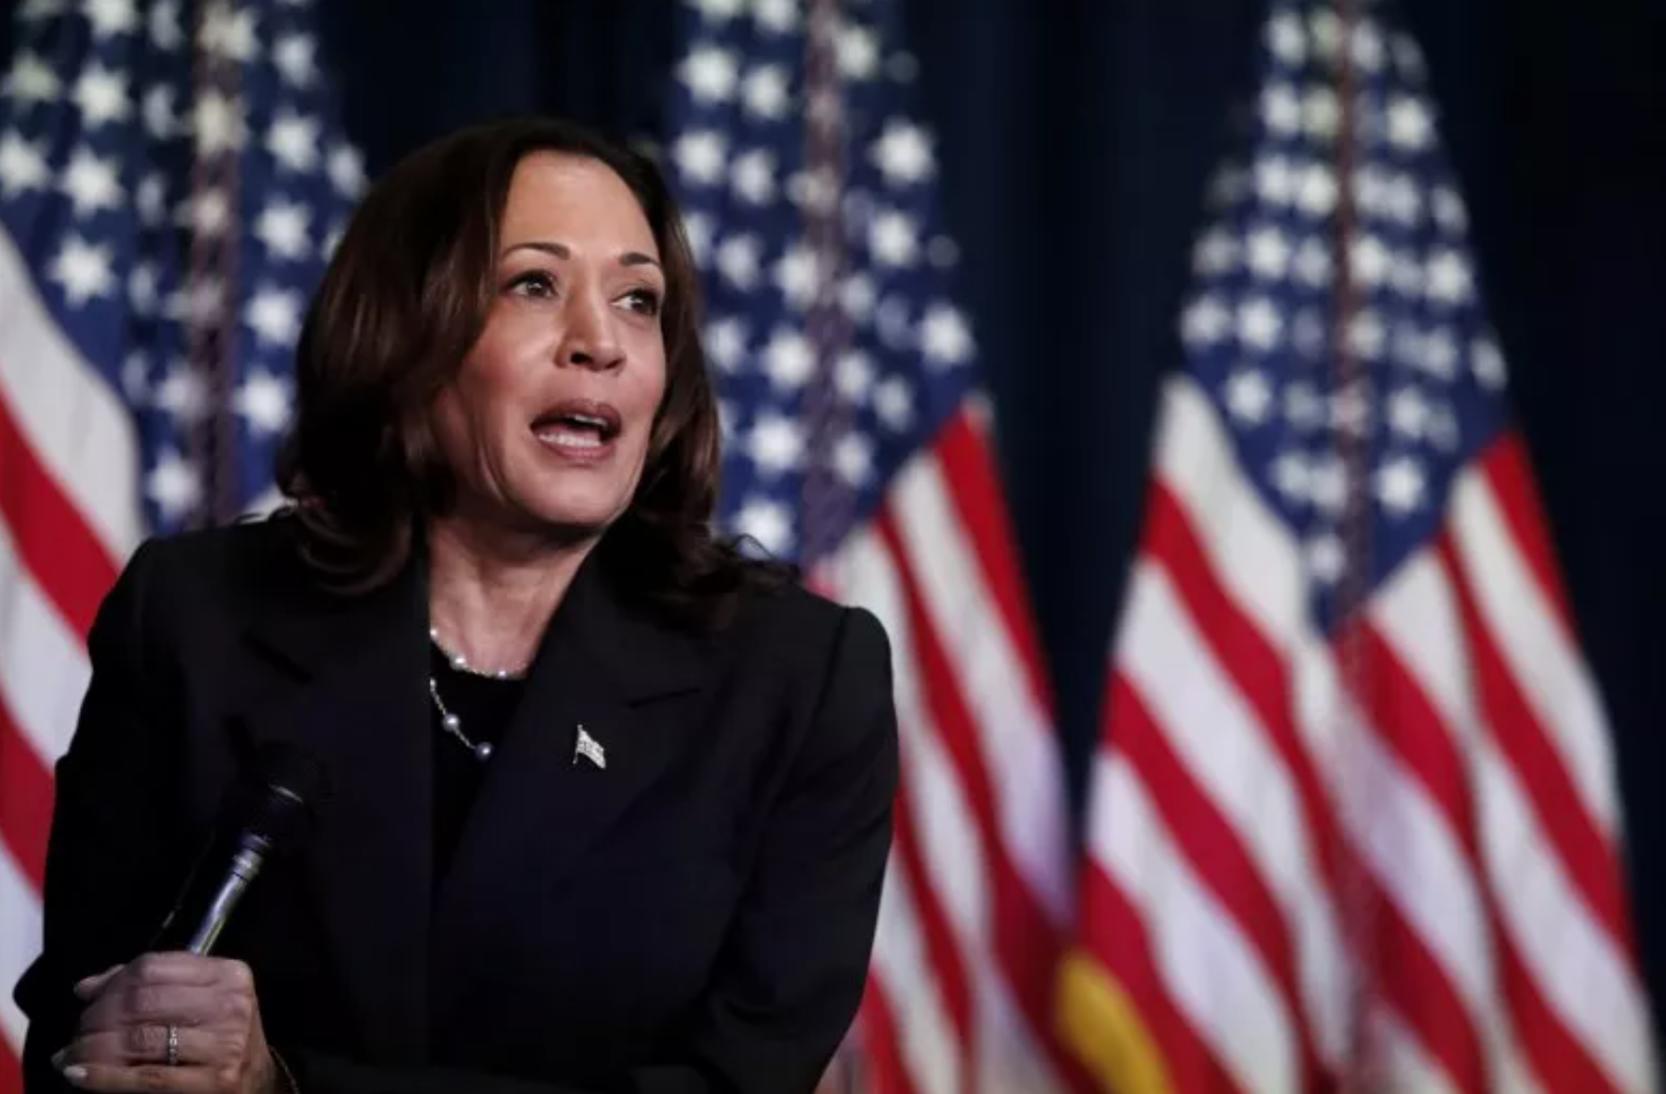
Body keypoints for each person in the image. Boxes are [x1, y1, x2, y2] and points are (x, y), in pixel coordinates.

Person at [15, 117, 898, 1094]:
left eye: (638, 300)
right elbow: (79, 1042)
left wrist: (287, 1087)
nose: (600, 343)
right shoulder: (195, 621)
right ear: (404, 334)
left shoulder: (799, 678)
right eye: (533, 285)